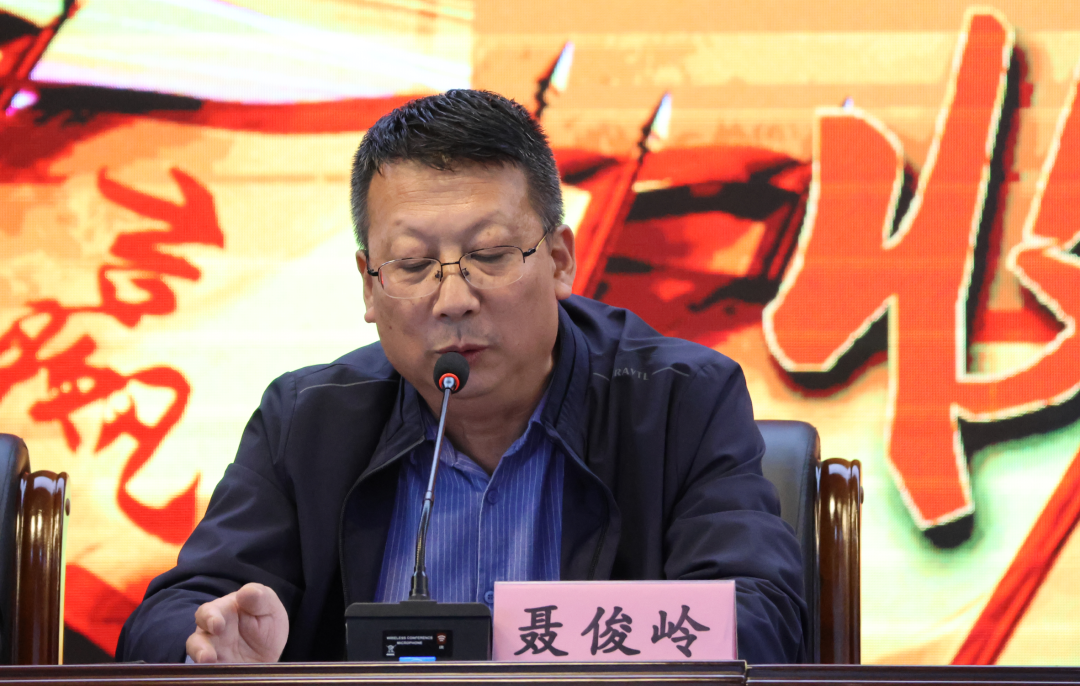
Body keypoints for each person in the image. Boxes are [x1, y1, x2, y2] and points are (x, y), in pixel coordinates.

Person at [116, 89, 807, 665]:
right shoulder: (307, 420)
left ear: (560, 260)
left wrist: (547, 643)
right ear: (369, 285)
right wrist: (213, 646)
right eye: (414, 265)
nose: (453, 299)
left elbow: (760, 620)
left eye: (490, 254)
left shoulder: (681, 400)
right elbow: (171, 615)